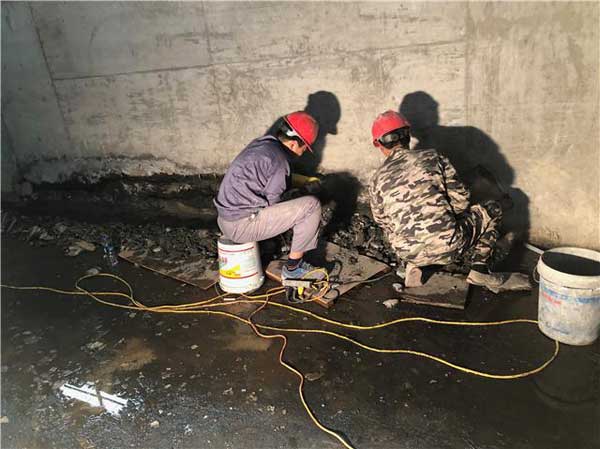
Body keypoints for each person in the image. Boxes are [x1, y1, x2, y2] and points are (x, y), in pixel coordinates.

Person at [368, 110, 521, 292]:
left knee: (407, 232)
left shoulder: (375, 180)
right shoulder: (432, 157)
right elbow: (462, 200)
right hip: (449, 245)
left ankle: (416, 265)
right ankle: (480, 269)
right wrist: (442, 216)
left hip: (406, 252)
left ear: (378, 144)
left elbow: (383, 222)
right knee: (493, 208)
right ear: (407, 135)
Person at [215, 111, 325, 281]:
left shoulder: (262, 145)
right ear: (294, 144)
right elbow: (275, 203)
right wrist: (299, 193)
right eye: (304, 148)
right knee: (312, 206)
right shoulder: (280, 161)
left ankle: (267, 245)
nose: (304, 152)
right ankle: (293, 268)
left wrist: (300, 181)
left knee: (293, 205)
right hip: (240, 226)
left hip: (225, 219)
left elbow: (266, 177)